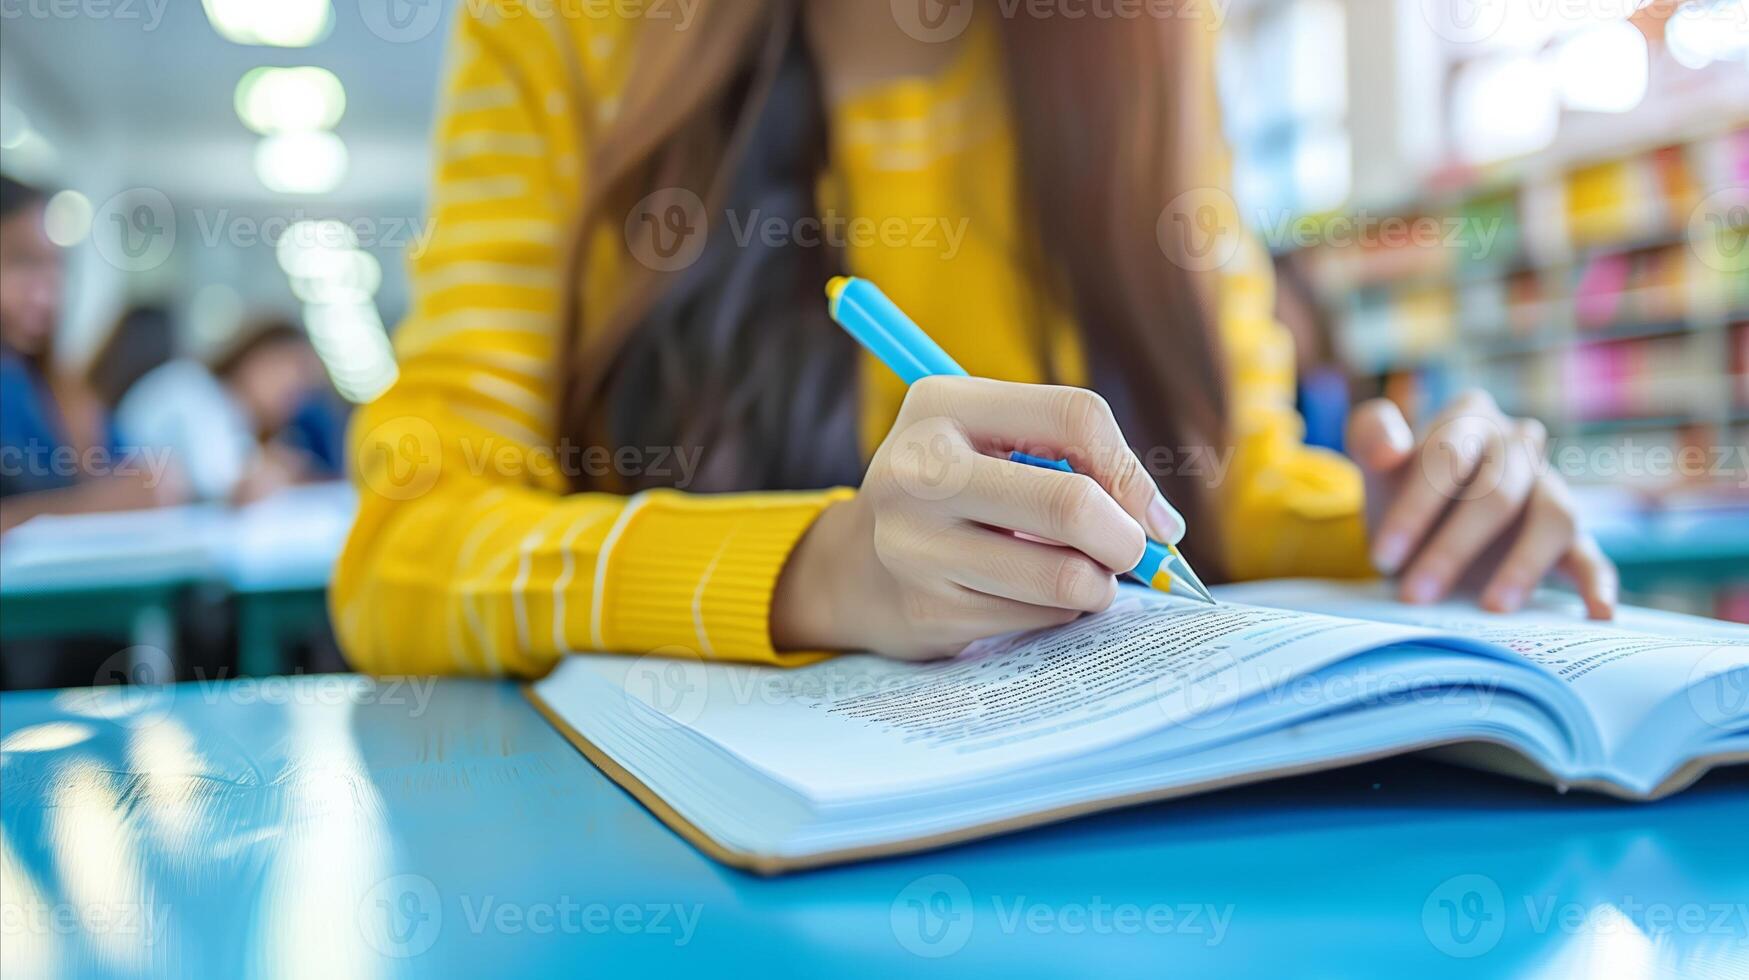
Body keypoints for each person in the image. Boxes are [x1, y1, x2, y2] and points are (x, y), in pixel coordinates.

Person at [334, 2, 1617, 677]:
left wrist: (1399, 522)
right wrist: (815, 568)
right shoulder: (566, 26)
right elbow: (406, 544)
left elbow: (1234, 479)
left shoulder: (1149, 35)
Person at [0, 176, 166, 533]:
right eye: (21, 262)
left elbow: (144, 478)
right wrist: (96, 506)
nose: (46, 291)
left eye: (55, 266)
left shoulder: (56, 389)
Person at [116, 319, 327, 505]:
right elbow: (224, 486)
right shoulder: (194, 387)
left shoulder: (233, 417)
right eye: (289, 366)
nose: (291, 387)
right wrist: (272, 471)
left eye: (302, 385)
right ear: (253, 354)